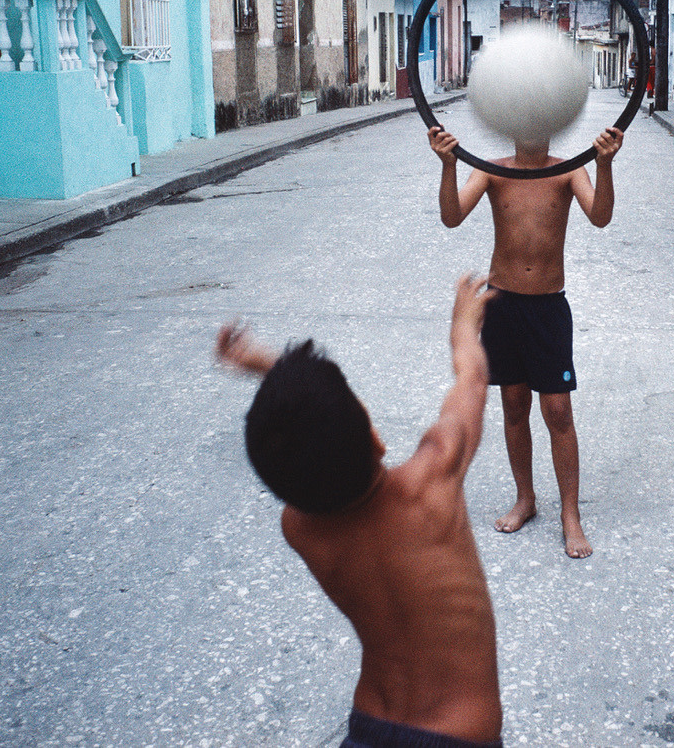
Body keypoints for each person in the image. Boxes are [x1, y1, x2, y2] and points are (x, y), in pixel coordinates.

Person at [215, 274, 503, 748]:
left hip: (369, 728)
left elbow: (312, 430)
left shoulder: (300, 529)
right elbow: (471, 378)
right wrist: (461, 327)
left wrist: (268, 368)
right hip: (461, 735)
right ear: (374, 435)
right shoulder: (432, 483)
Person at [429, 125, 624, 559]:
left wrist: (606, 164)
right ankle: (526, 499)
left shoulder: (568, 172)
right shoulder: (493, 172)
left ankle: (570, 514)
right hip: (502, 306)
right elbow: (451, 215)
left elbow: (601, 216)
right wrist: (447, 166)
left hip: (548, 310)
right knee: (514, 407)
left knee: (558, 411)